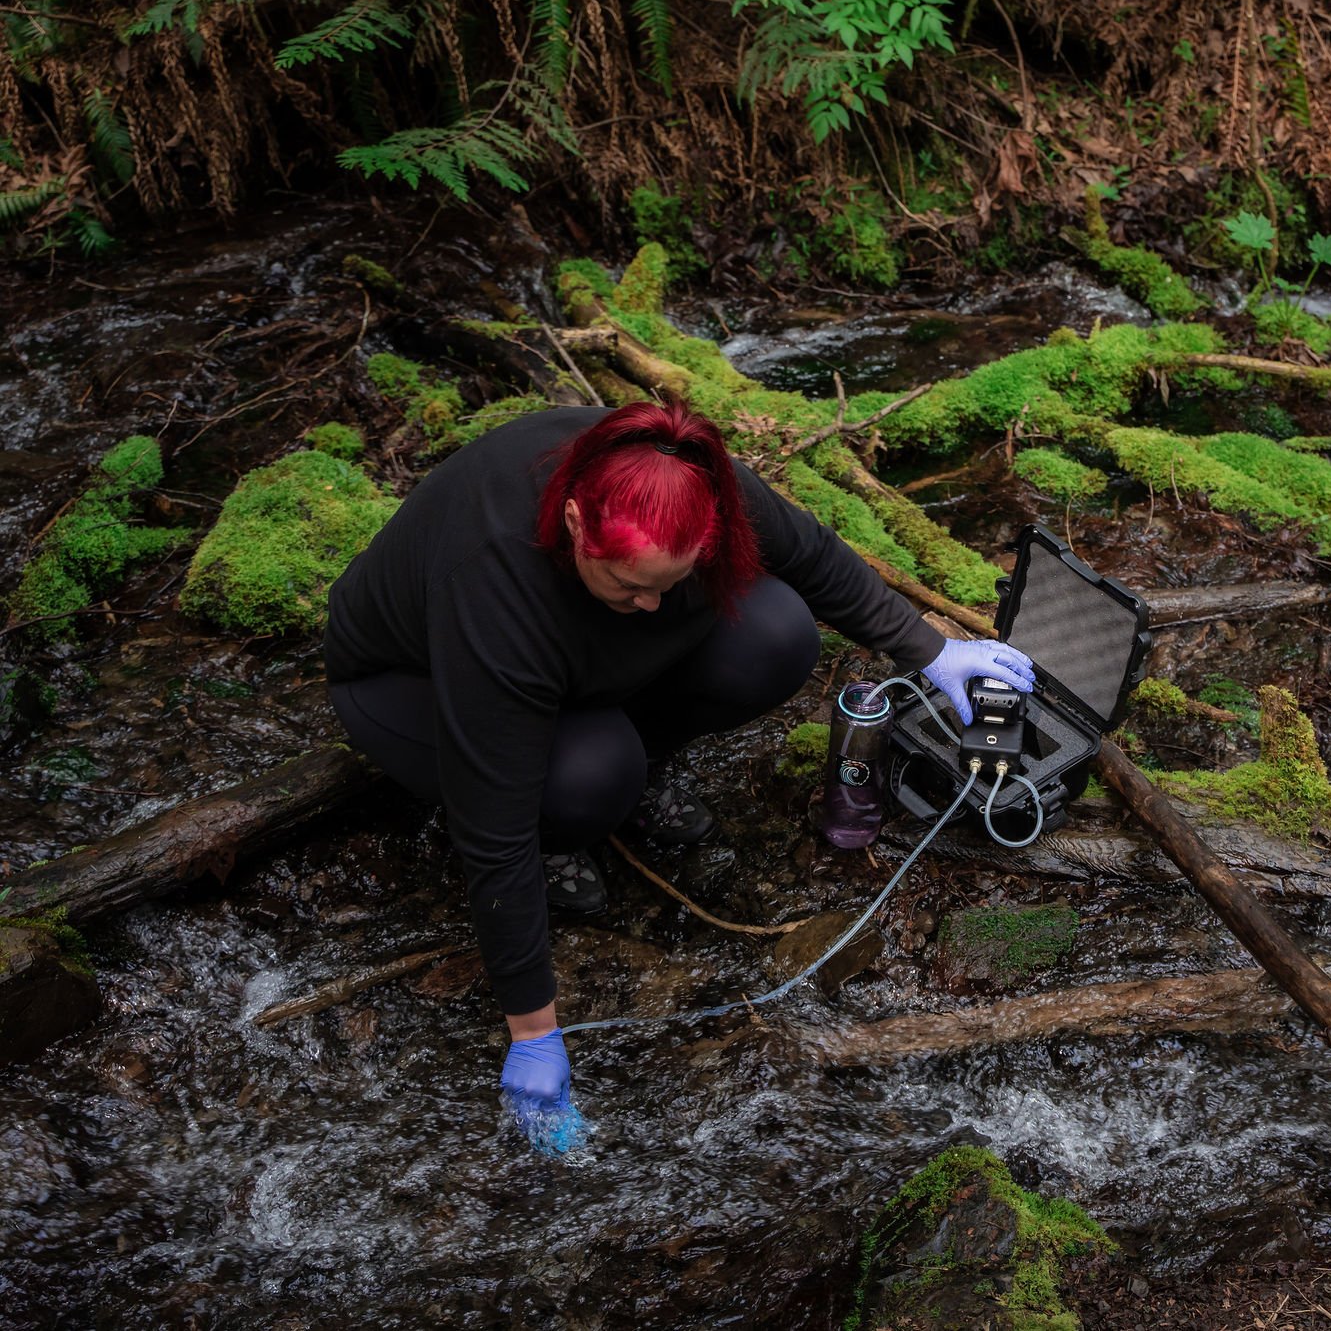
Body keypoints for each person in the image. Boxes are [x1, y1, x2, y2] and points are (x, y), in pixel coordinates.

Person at [322, 398, 1035, 1142]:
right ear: (575, 526)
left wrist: (931, 649)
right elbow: (490, 826)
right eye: (631, 585)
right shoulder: (493, 583)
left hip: (576, 661)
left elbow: (813, 558)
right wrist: (532, 1029)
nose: (652, 602)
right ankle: (567, 828)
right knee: (593, 775)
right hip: (409, 684)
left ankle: (642, 763)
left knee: (775, 630)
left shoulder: (691, 483)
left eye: (669, 580)